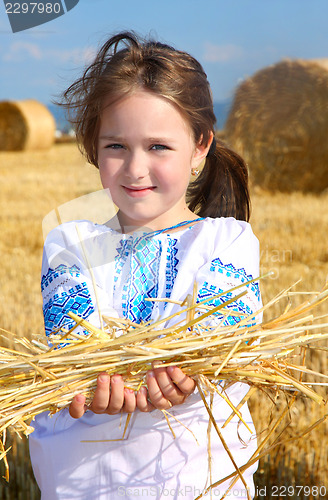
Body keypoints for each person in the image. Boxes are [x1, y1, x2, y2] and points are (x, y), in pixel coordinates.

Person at [29, 31, 262, 500]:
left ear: (200, 147)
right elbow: (75, 347)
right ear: (94, 146)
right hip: (87, 480)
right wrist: (94, 382)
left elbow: (220, 343)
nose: (135, 168)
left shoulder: (226, 242)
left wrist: (188, 374)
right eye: (116, 146)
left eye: (158, 147)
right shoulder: (70, 244)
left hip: (195, 479)